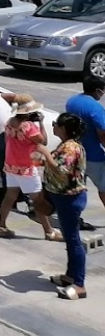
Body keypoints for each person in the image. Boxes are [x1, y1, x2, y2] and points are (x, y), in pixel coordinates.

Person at [36, 112, 90, 301]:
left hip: (69, 199)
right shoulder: (66, 145)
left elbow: (61, 171)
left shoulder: (71, 148)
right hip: (62, 197)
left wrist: (44, 153)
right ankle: (70, 276)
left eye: (56, 124)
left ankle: (79, 285)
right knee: (69, 238)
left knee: (74, 241)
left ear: (65, 129)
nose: (54, 126)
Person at [0, 96, 60, 240]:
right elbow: (43, 141)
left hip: (11, 165)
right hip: (26, 167)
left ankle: (1, 225)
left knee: (10, 196)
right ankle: (49, 231)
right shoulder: (29, 127)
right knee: (38, 199)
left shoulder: (9, 122)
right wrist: (41, 124)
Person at [65, 75, 105, 231]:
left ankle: (75, 219)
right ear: (97, 90)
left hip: (75, 154)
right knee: (103, 188)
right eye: (102, 91)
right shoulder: (95, 108)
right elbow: (103, 134)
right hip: (94, 156)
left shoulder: (72, 101)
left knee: (77, 189)